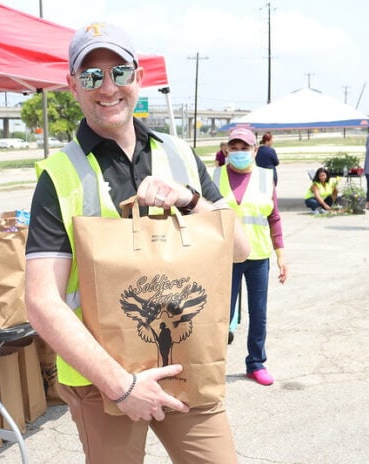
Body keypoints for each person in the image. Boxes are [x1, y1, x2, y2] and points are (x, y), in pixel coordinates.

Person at [24, 22, 250, 463]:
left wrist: (189, 199)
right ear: (73, 86)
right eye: (91, 76)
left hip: (186, 360)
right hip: (102, 379)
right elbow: (41, 300)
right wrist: (121, 385)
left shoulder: (179, 153)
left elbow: (238, 247)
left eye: (119, 72)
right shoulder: (59, 174)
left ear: (138, 76)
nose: (107, 87)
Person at [211, 127, 288, 386]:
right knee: (220, 314)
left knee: (258, 312)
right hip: (224, 257)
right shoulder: (215, 176)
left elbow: (274, 217)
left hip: (258, 255)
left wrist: (281, 255)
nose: (240, 152)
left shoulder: (266, 178)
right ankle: (213, 364)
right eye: (234, 148)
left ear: (255, 151)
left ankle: (256, 363)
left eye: (245, 148)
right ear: (226, 150)